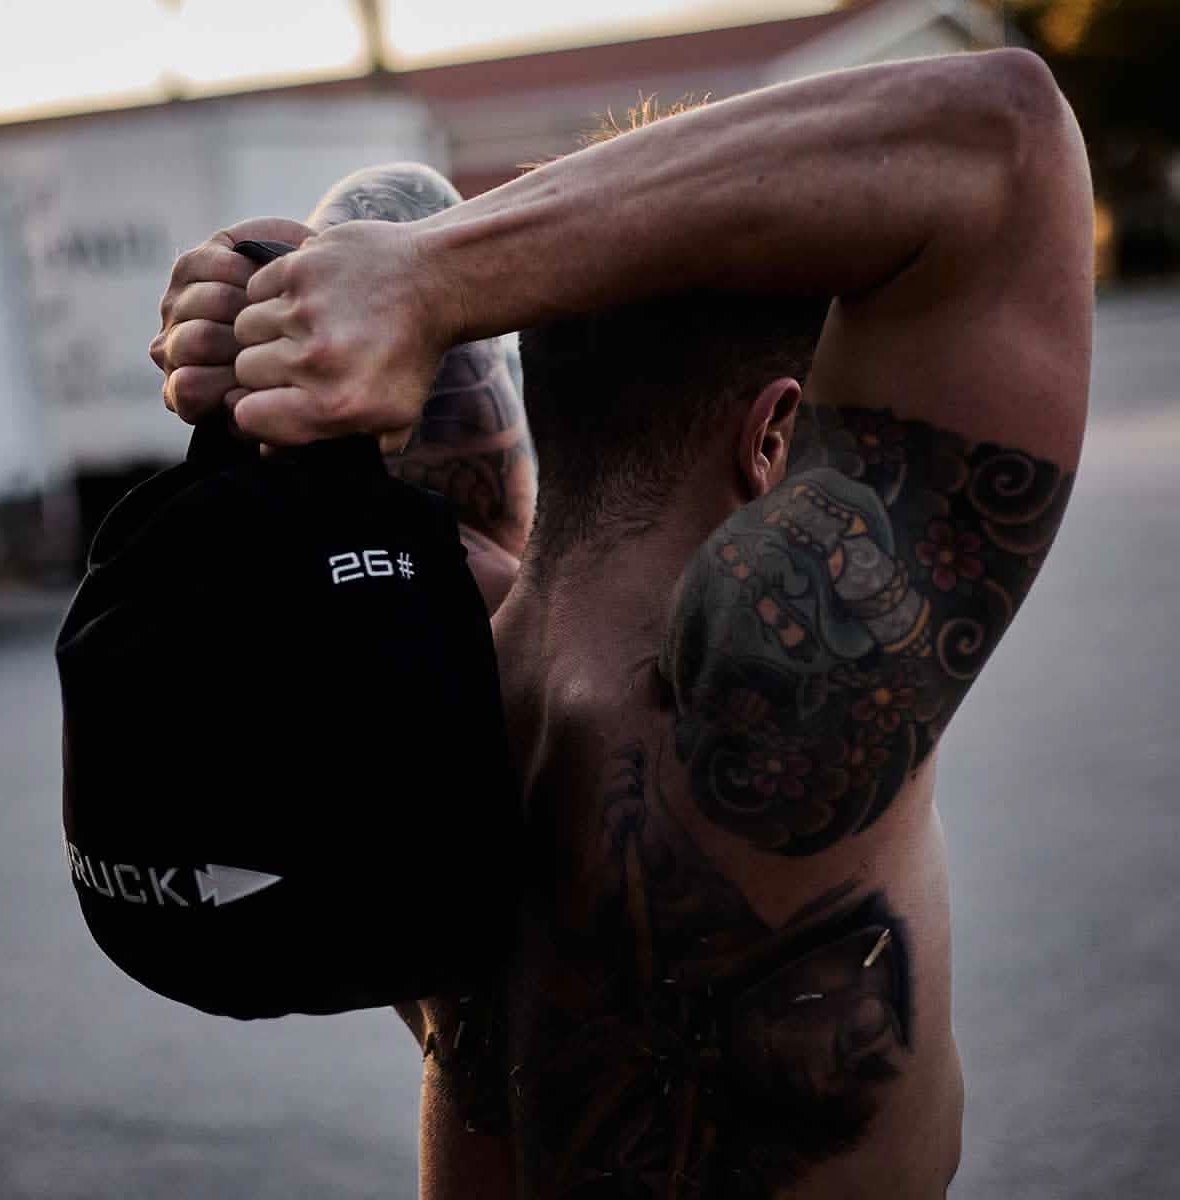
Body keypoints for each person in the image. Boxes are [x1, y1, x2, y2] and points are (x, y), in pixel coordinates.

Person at [150, 49, 1092, 1199]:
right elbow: (1004, 134)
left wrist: (278, 284)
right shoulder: (766, 697)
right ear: (775, 437)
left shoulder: (430, 655)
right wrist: (434, 281)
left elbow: (388, 208)